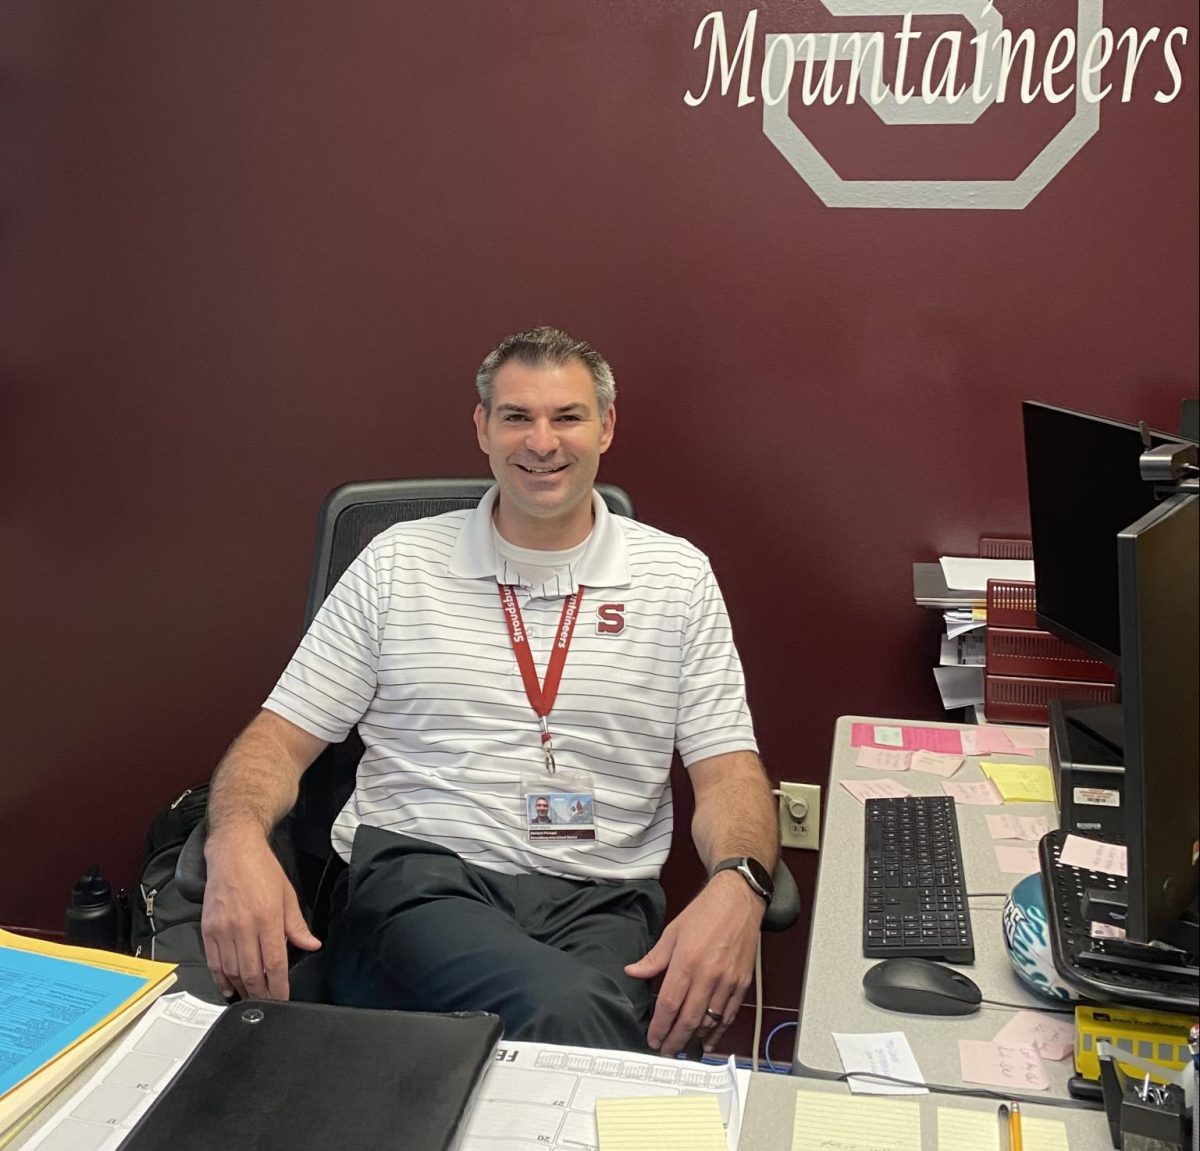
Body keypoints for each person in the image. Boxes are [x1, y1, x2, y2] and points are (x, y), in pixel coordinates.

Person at [200, 325, 778, 1057]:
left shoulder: (678, 577)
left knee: (581, 1023)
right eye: (517, 417)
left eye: (567, 416)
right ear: (482, 428)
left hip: (601, 901)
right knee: (584, 1025)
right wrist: (236, 837)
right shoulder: (398, 563)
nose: (542, 442)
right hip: (421, 883)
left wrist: (740, 885)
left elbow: (729, 773)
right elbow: (275, 742)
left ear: (606, 425)